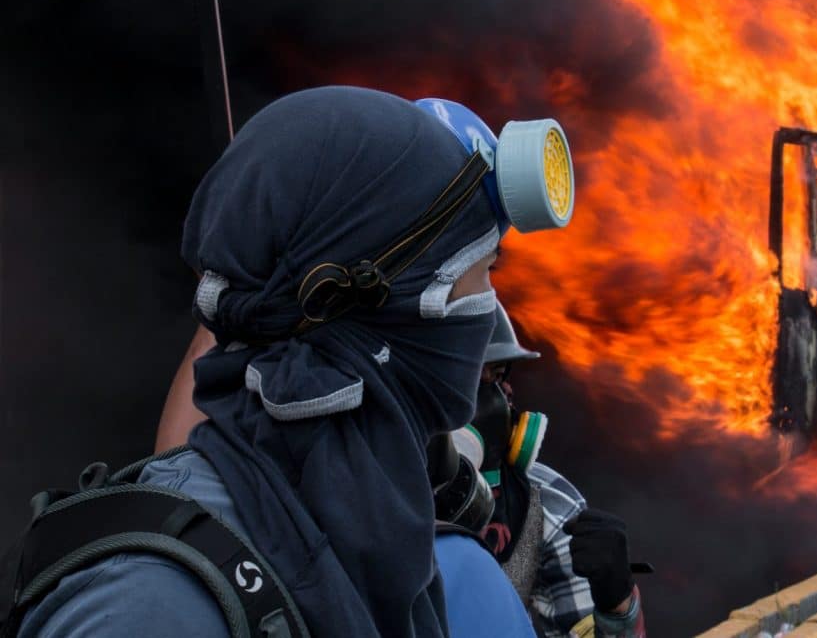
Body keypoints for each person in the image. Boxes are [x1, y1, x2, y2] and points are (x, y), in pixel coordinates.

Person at [11, 85, 575, 637]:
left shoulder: (381, 544)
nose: (487, 311)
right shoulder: (150, 606)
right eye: (482, 272)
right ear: (369, 303)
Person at [467, 303, 647, 638]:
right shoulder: (365, 494)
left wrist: (617, 609)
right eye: (475, 379)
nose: (498, 398)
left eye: (500, 375)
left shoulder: (544, 506)